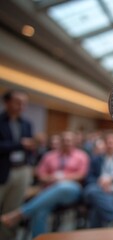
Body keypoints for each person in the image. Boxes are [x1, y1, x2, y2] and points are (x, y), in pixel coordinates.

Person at [0, 131, 89, 238]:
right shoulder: (49, 156)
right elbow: (40, 174)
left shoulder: (82, 156)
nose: (66, 142)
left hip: (71, 190)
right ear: (60, 141)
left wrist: (62, 178)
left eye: (69, 140)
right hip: (48, 189)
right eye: (64, 140)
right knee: (40, 210)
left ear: (74, 142)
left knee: (62, 186)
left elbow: (81, 174)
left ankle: (20, 213)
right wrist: (50, 178)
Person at [0, 90, 35, 240]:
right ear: (6, 102)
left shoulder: (27, 124)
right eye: (18, 102)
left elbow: (29, 146)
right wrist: (19, 144)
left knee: (12, 211)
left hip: (21, 169)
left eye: (24, 103)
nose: (22, 106)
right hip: (2, 170)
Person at [83, 132, 113, 228]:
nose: (109, 145)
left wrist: (111, 179)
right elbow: (89, 178)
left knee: (97, 207)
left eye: (112, 142)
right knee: (91, 191)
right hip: (98, 188)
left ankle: (96, 235)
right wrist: (100, 181)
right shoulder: (96, 159)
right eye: (107, 142)